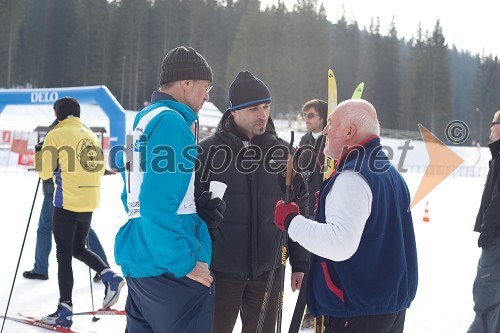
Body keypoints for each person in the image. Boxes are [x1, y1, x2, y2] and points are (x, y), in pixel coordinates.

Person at [274, 99, 418, 333]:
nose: (325, 130)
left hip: (358, 309)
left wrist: (291, 220)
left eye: (331, 123)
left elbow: (340, 243)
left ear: (349, 131)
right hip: (387, 306)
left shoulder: (353, 176)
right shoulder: (389, 171)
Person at [114, 46, 220, 333]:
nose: (207, 95)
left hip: (139, 262)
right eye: (205, 86)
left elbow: (131, 197)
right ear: (187, 83)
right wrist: (185, 263)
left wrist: (193, 208)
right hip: (169, 270)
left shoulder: (143, 120)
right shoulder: (173, 123)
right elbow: (153, 203)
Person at [196, 70, 309, 333]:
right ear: (233, 111)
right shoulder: (207, 152)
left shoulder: (283, 152)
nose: (262, 114)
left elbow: (298, 209)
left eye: (266, 106)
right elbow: (189, 210)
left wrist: (300, 262)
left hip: (269, 271)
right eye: (253, 108)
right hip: (220, 271)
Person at [35, 97, 124, 329]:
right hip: (89, 200)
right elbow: (96, 167)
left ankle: (64, 310)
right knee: (79, 248)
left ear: (58, 115)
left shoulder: (56, 134)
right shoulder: (91, 135)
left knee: (64, 256)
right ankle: (109, 276)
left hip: (67, 202)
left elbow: (44, 172)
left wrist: (39, 152)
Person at [24, 117, 110, 282]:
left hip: (58, 190)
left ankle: (41, 269)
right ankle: (103, 266)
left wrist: (39, 151)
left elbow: (47, 159)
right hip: (72, 189)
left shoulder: (57, 131)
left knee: (45, 228)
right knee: (82, 229)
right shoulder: (82, 131)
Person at [468, 110, 500, 333]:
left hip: (496, 238)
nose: (490, 127)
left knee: (486, 289)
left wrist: (487, 230)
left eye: (494, 122)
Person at [298, 99, 327, 218]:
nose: (306, 119)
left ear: (322, 117)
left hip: (324, 209)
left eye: (310, 115)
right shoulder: (304, 140)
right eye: (304, 115)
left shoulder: (332, 142)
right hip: (305, 207)